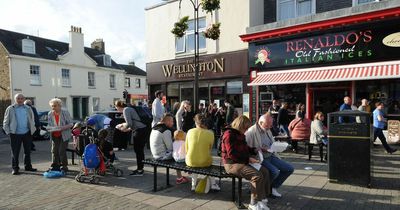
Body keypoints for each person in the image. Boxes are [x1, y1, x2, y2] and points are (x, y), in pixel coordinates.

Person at [223, 115, 270, 210]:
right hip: (231, 164)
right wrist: (248, 159)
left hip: (241, 161)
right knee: (256, 176)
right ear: (240, 126)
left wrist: (254, 150)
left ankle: (261, 199)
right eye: (246, 128)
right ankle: (253, 203)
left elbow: (245, 148)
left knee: (264, 171)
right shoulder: (229, 135)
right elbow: (232, 154)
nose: (247, 130)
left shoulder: (240, 134)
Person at [245, 113, 294, 198]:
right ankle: (262, 189)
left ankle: (273, 187)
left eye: (270, 125)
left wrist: (278, 146)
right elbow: (246, 148)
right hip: (259, 158)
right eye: (267, 125)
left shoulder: (267, 129)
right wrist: (260, 148)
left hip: (270, 155)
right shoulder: (251, 132)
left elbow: (271, 142)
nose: (269, 127)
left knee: (289, 168)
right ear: (260, 123)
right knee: (274, 172)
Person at [3, 93, 37, 175]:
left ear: (24, 99)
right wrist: (8, 131)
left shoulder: (28, 108)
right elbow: (5, 121)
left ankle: (28, 166)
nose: (20, 100)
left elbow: (32, 119)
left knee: (28, 151)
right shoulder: (11, 108)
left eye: (22, 98)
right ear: (15, 99)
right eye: (18, 98)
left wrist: (32, 129)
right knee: (15, 152)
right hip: (15, 134)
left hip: (27, 133)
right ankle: (15, 168)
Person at [150, 114, 189, 184]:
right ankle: (181, 177)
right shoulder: (165, 131)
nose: (173, 123)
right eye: (172, 121)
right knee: (180, 154)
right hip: (162, 156)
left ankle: (181, 176)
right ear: (167, 121)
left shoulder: (155, 128)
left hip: (155, 154)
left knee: (178, 152)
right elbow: (170, 147)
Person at [185, 114, 220, 191]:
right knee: (209, 161)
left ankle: (193, 185)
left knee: (194, 162)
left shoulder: (189, 131)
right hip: (205, 161)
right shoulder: (210, 133)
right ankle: (213, 184)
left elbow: (186, 148)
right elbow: (209, 149)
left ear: (195, 122)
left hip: (190, 161)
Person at [115, 100, 148, 176]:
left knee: (138, 151)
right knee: (140, 151)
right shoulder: (129, 108)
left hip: (139, 131)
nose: (117, 109)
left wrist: (123, 128)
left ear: (118, 106)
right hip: (143, 129)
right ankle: (140, 169)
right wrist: (128, 129)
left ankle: (139, 170)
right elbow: (134, 123)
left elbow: (129, 123)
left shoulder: (126, 110)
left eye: (116, 107)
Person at [47, 98, 73, 172]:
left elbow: (71, 124)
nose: (53, 108)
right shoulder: (50, 113)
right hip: (54, 134)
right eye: (52, 106)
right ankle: (55, 165)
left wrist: (62, 128)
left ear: (59, 105)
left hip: (64, 134)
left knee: (61, 150)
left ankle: (64, 166)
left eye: (55, 106)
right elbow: (49, 124)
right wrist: (48, 128)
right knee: (54, 150)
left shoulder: (65, 112)